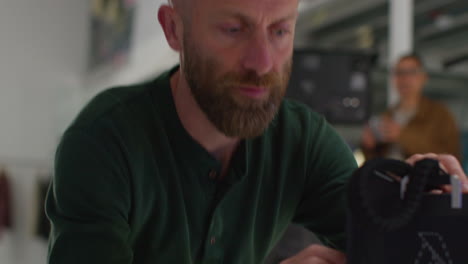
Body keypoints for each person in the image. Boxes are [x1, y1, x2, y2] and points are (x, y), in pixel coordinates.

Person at [45, 1, 468, 263]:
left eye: (280, 31)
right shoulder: (105, 143)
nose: (263, 61)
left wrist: (421, 214)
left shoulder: (301, 141)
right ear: (174, 29)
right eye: (233, 29)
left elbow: (386, 241)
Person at [361, 53, 462, 161]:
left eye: (411, 72)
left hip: (421, 177)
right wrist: (369, 147)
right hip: (391, 176)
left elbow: (450, 157)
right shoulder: (388, 115)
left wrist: (402, 136)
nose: (404, 78)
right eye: (399, 73)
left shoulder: (440, 115)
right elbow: (376, 161)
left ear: (423, 78)